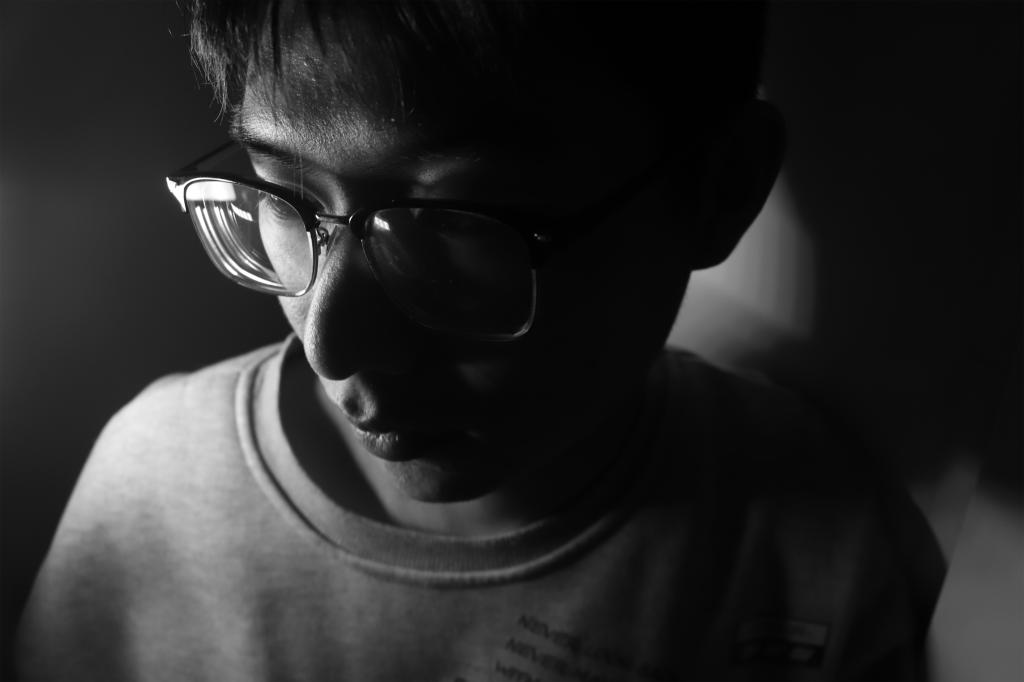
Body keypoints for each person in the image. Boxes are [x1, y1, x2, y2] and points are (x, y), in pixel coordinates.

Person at [16, 1, 944, 680]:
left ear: (720, 189)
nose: (332, 344)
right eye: (285, 198)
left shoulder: (816, 547)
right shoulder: (151, 490)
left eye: (454, 224)